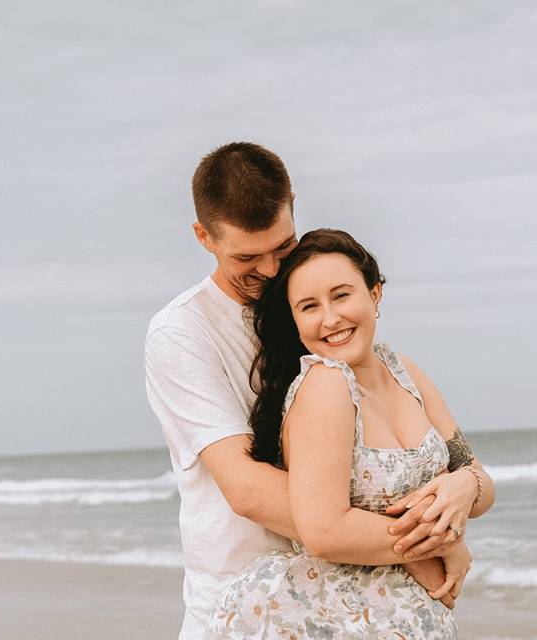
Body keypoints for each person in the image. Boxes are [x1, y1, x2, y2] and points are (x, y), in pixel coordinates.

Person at [145, 143, 485, 638]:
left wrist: (463, 486)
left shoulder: (305, 311)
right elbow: (247, 490)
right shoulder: (182, 333)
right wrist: (423, 542)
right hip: (252, 604)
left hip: (354, 603)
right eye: (247, 257)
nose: (268, 270)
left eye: (282, 248)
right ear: (203, 237)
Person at [205, 229, 495, 638]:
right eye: (309, 306)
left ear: (374, 295)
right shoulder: (326, 383)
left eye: (341, 295)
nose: (330, 318)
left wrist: (463, 486)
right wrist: (438, 545)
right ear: (295, 321)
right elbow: (325, 531)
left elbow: (483, 485)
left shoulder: (405, 372)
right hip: (336, 621)